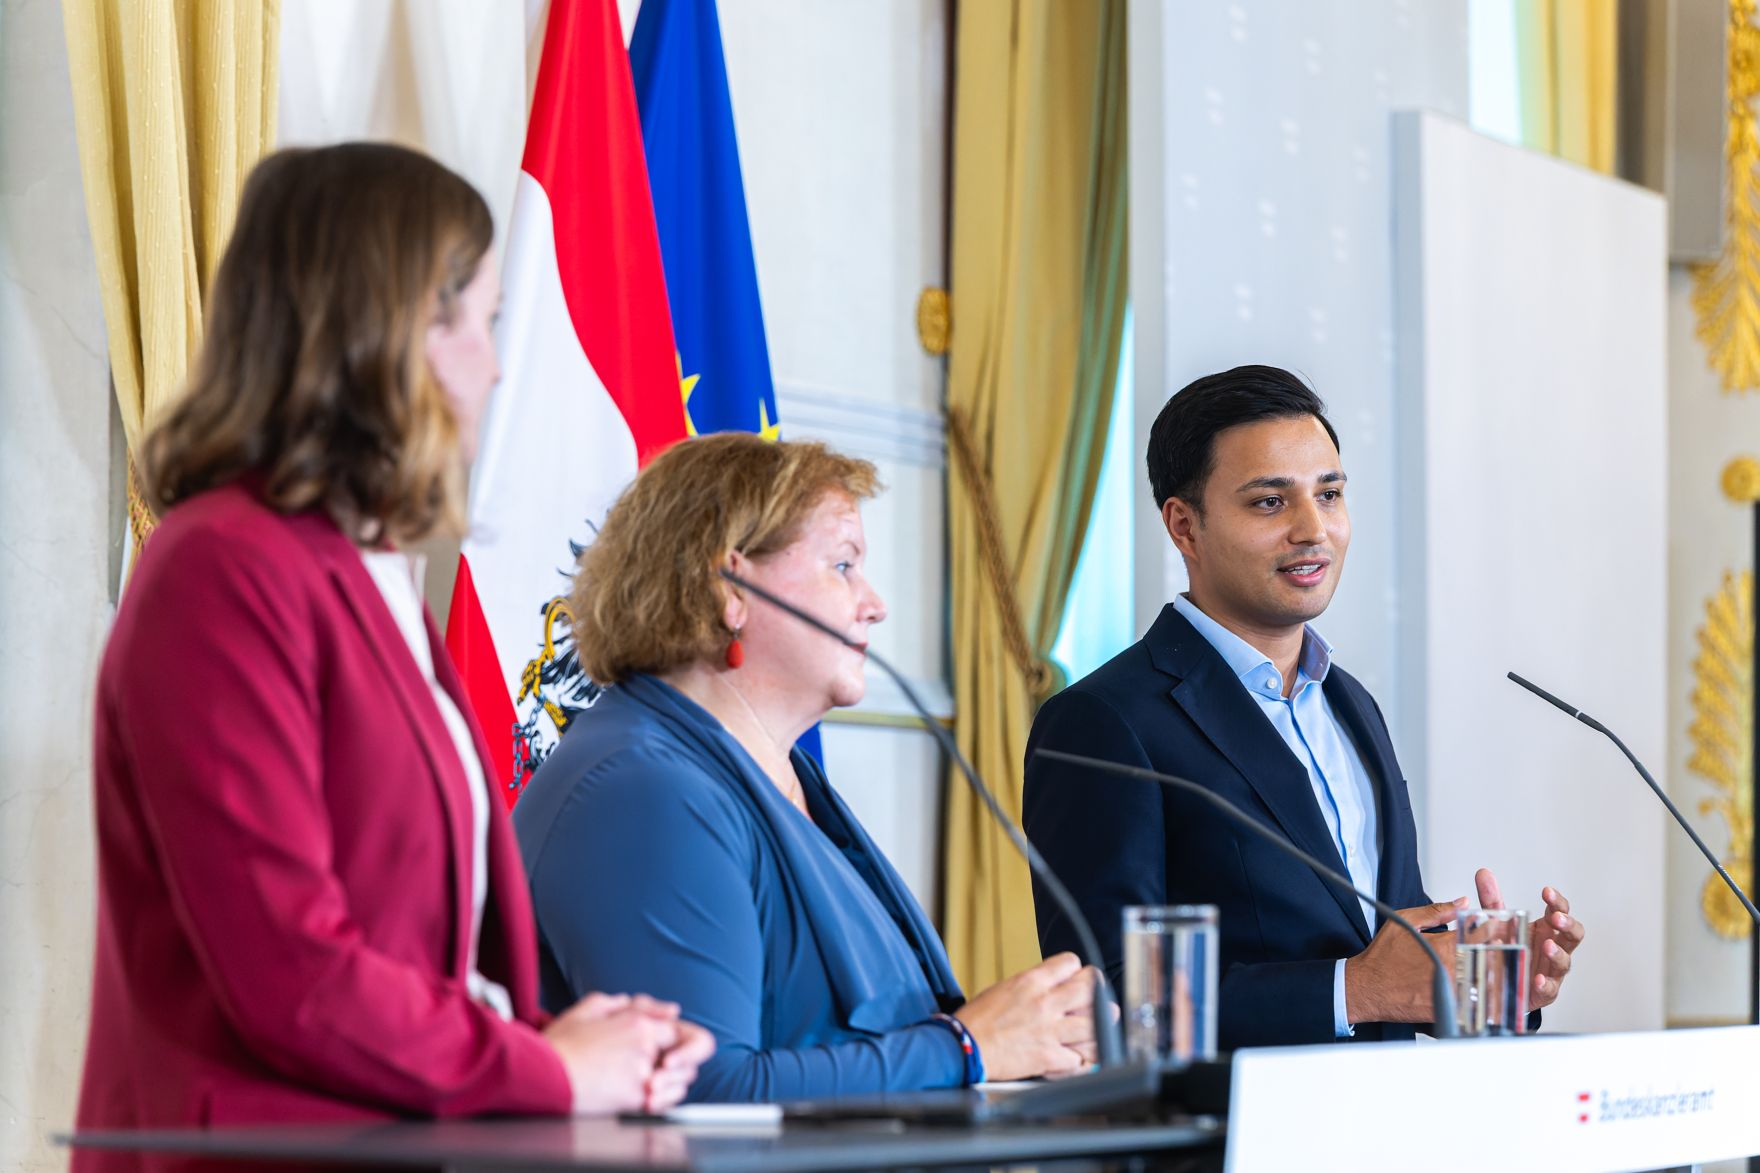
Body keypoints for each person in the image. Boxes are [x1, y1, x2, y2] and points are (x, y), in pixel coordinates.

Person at [73, 143, 712, 1166]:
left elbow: (417, 944)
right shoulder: (221, 567)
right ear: (377, 331)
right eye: (476, 321)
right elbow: (286, 966)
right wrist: (548, 1072)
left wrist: (566, 1040)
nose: (497, 364)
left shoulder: (366, 576)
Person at [513, 433, 1098, 1102]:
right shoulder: (643, 790)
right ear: (728, 586)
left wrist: (1036, 1038)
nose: (874, 602)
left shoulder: (781, 774)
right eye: (843, 564)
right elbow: (706, 1094)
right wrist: (969, 1047)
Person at [1022, 365, 1586, 1047]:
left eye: (1330, 493)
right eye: (1269, 502)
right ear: (1184, 526)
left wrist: (1490, 979)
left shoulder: (1350, 702)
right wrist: (1353, 986)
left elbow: (1390, 955)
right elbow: (1109, 997)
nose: (1313, 528)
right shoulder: (1103, 722)